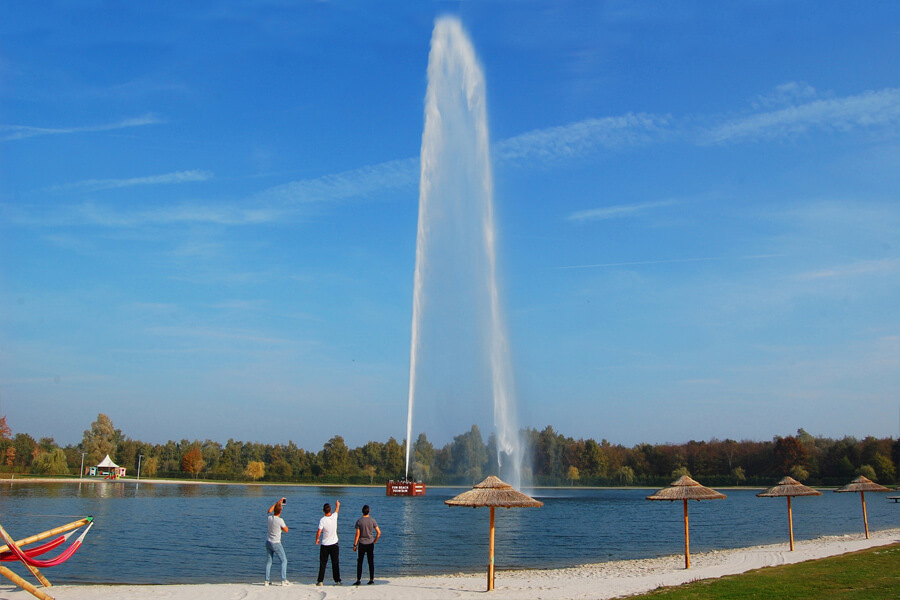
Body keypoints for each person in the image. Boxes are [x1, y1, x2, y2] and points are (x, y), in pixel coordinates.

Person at [352, 504, 381, 585]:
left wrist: (355, 545)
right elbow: (379, 533)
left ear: (362, 512)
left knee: (360, 562)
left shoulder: (359, 521)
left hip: (361, 543)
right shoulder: (372, 520)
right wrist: (374, 541)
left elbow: (357, 534)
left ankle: (358, 580)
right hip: (370, 543)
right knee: (370, 561)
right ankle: (371, 579)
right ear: (369, 511)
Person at [265, 498, 291, 586]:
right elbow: (286, 530)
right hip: (276, 543)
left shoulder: (269, 518)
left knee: (269, 562)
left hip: (268, 542)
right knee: (284, 561)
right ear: (280, 511)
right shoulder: (280, 520)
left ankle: (266, 580)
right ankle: (283, 580)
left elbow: (269, 510)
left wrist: (277, 503)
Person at [315, 500, 341, 585]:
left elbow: (319, 531)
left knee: (323, 563)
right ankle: (337, 580)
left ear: (323, 511)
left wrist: (317, 539)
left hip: (325, 544)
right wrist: (337, 504)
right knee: (335, 563)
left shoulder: (322, 520)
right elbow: (337, 510)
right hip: (334, 544)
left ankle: (320, 581)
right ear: (330, 510)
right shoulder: (334, 517)